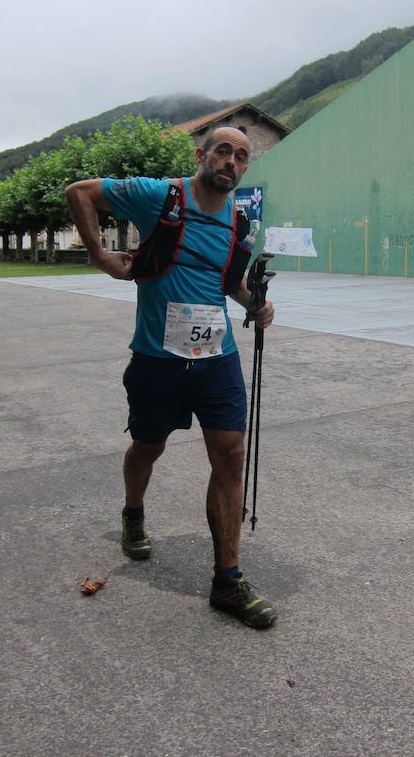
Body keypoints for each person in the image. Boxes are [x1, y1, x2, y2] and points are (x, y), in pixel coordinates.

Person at [66, 126, 277, 628]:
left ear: (245, 169)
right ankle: (134, 512)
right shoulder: (161, 194)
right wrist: (98, 255)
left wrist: (256, 305)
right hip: (158, 359)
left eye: (242, 157)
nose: (231, 162)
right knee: (148, 446)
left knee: (230, 454)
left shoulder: (239, 221)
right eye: (223, 151)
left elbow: (230, 285)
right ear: (202, 155)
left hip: (217, 357)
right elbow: (80, 193)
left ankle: (228, 580)